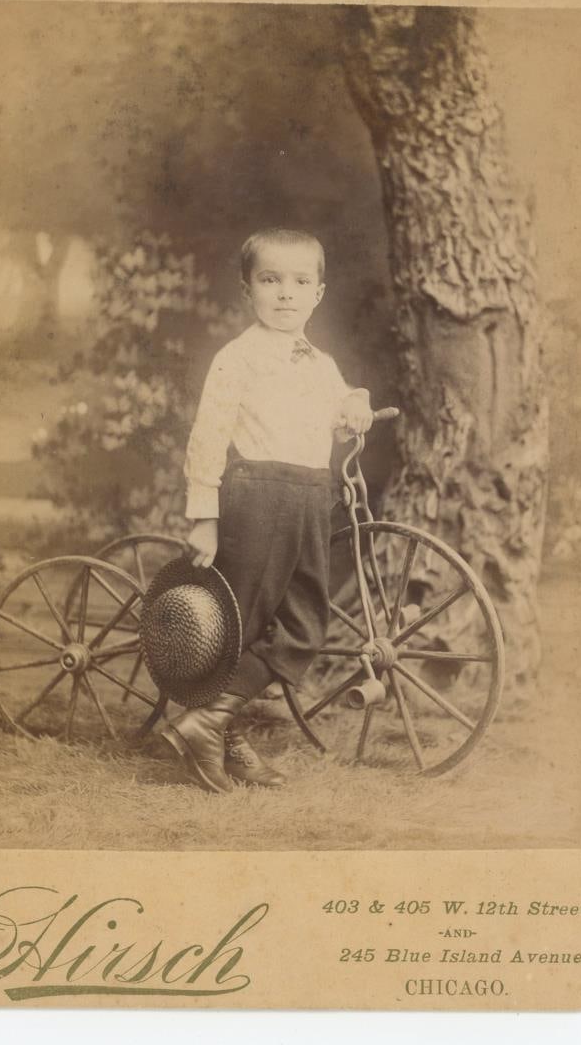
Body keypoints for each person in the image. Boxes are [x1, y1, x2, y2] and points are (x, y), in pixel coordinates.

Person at [160, 228, 373, 793]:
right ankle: (215, 728)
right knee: (240, 620)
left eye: (300, 282)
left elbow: (340, 408)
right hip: (258, 495)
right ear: (247, 289)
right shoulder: (238, 358)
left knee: (304, 625)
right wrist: (204, 516)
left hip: (310, 496)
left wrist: (356, 402)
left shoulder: (320, 362)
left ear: (318, 294)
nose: (285, 293)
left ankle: (209, 719)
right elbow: (208, 436)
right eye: (270, 280)